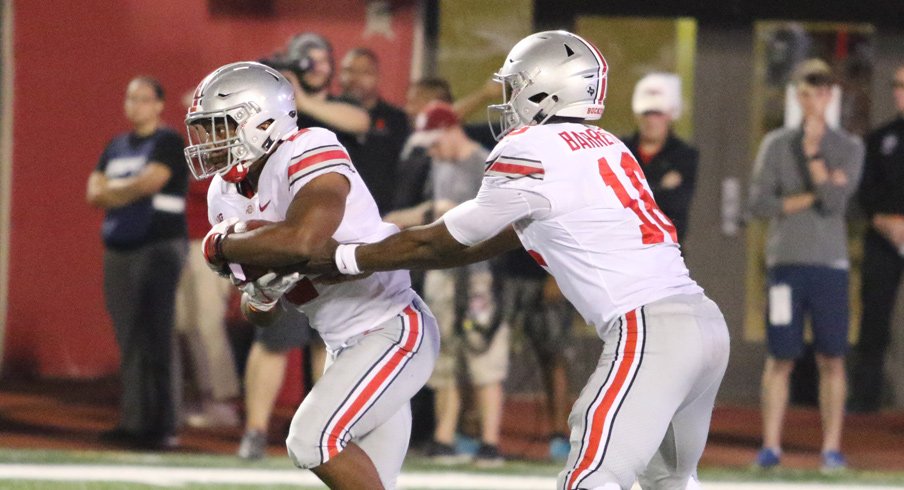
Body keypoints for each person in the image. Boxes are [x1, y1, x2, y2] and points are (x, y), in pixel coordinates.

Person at [313, 30, 729, 490]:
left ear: (545, 89)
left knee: (589, 481)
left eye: (515, 86)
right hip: (704, 325)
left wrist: (349, 256)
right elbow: (510, 234)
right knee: (670, 481)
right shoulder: (607, 144)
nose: (509, 100)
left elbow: (443, 240)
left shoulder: (532, 148)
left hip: (650, 330)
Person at [185, 61, 438, 489]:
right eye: (206, 128)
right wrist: (262, 296)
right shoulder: (223, 195)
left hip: (392, 327)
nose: (210, 140)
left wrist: (224, 246)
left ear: (262, 121)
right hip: (343, 344)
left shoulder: (307, 147)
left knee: (312, 440)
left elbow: (304, 240)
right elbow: (260, 311)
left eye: (220, 125)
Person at [747, 59, 864, 471]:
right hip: (786, 266)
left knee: (832, 357)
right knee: (780, 357)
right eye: (807, 91)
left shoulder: (849, 147)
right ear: (797, 96)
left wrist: (814, 153)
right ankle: (771, 446)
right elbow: (758, 204)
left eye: (822, 91)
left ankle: (831, 448)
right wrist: (813, 191)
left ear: (832, 96)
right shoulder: (775, 145)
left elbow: (837, 204)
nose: (814, 100)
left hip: (829, 266)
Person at [384, 101, 507, 467]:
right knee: (445, 353)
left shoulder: (485, 163)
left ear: (452, 129)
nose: (432, 151)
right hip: (444, 271)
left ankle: (489, 442)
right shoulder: (440, 162)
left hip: (479, 274)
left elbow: (498, 220)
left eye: (436, 141)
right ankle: (444, 436)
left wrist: (451, 211)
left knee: (483, 351)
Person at [86, 76, 188, 449]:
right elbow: (92, 191)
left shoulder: (169, 142)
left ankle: (164, 425)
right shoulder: (116, 146)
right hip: (119, 248)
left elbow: (151, 183)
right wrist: (123, 191)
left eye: (144, 99)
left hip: (159, 247)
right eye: (131, 98)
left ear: (159, 105)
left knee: (158, 337)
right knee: (129, 338)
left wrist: (115, 192)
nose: (136, 105)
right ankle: (133, 422)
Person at [848, 64, 904, 413]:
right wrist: (884, 220)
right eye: (897, 84)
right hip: (883, 238)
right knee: (874, 319)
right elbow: (864, 190)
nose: (901, 91)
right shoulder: (880, 138)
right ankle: (865, 400)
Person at [174, 176, 241, 429]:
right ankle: (205, 396)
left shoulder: (223, 154)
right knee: (187, 324)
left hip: (209, 241)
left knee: (208, 323)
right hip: (182, 240)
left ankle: (222, 401)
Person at [622, 73, 699, 242]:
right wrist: (660, 186)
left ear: (670, 116)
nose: (651, 121)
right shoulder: (619, 149)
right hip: (623, 242)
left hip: (665, 244)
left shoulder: (684, 155)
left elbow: (677, 204)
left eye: (658, 114)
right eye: (647, 113)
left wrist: (635, 190)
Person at [338, 47, 411, 214]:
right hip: (335, 212)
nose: (355, 79)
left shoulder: (397, 119)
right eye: (349, 71)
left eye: (365, 72)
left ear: (378, 77)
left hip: (382, 214)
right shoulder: (324, 115)